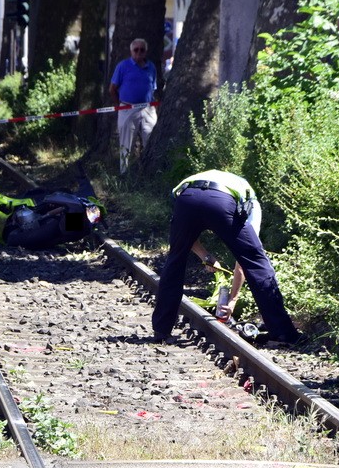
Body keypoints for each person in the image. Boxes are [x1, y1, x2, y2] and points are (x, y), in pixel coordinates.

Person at [153, 169, 301, 346]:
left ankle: (161, 331)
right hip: (220, 201)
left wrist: (205, 255)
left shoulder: (203, 180)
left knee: (175, 259)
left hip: (186, 197)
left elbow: (185, 240)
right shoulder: (251, 201)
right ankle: (283, 333)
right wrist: (233, 299)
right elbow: (246, 260)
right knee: (257, 262)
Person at [109, 37, 158, 174]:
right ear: (131, 51)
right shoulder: (123, 66)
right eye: (136, 50)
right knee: (126, 145)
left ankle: (150, 174)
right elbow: (112, 89)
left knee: (151, 141)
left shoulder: (151, 67)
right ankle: (125, 175)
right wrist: (119, 105)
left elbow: (153, 88)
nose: (139, 52)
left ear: (146, 52)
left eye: (142, 50)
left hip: (148, 109)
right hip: (127, 108)